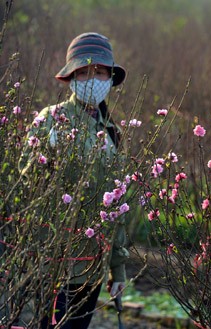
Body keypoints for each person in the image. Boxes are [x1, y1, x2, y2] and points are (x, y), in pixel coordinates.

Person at [19, 32, 129, 329]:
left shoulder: (110, 132)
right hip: (51, 260)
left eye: (99, 72)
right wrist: (44, 153)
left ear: (109, 77)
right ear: (71, 77)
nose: (92, 78)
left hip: (91, 264)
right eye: (84, 72)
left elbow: (116, 208)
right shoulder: (52, 118)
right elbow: (24, 184)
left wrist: (117, 270)